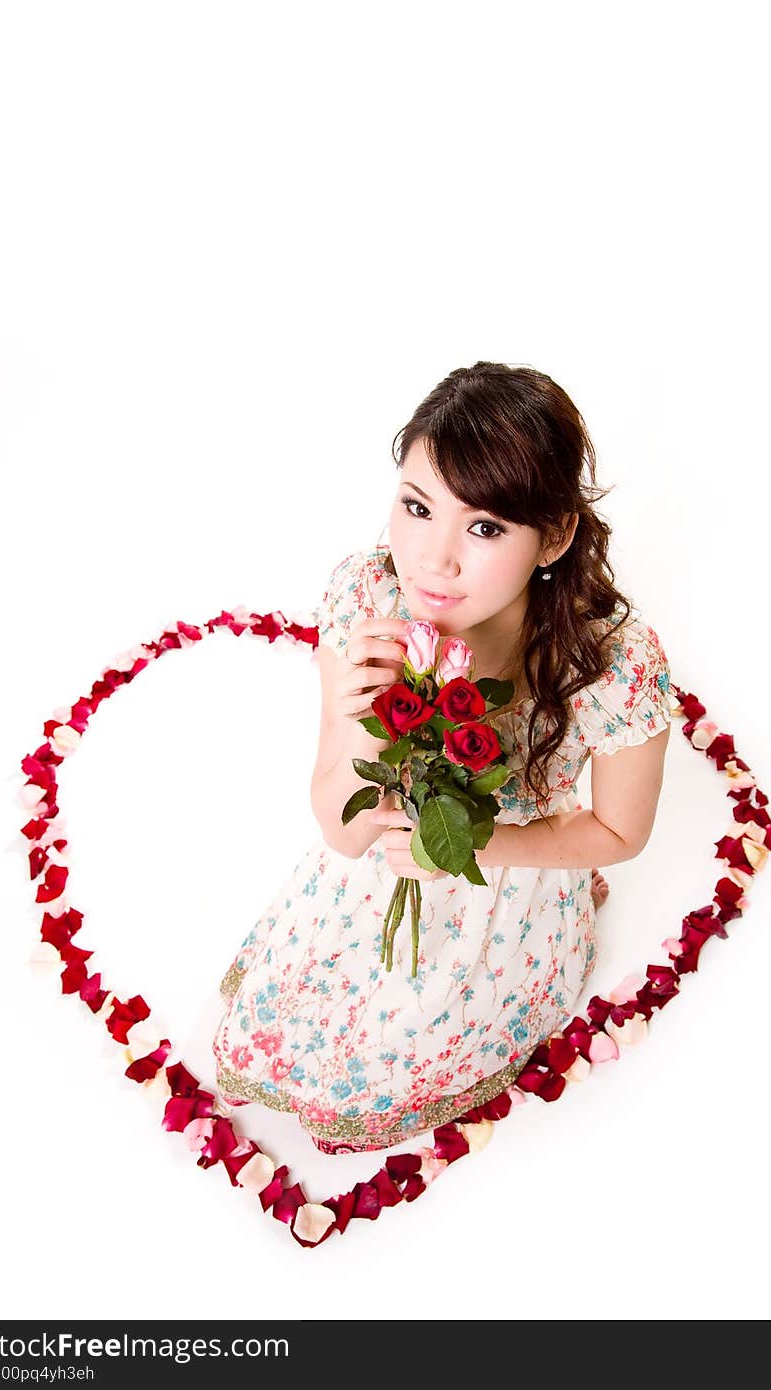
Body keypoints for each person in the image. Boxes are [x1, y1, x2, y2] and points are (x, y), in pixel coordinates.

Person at [211, 361, 674, 1155]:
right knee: (294, 1025)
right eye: (417, 508)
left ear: (554, 534)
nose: (434, 560)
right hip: (373, 869)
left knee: (398, 1048)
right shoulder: (370, 599)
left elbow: (619, 834)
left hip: (506, 888)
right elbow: (343, 830)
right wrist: (362, 720)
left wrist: (471, 844)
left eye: (486, 527)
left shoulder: (611, 664)